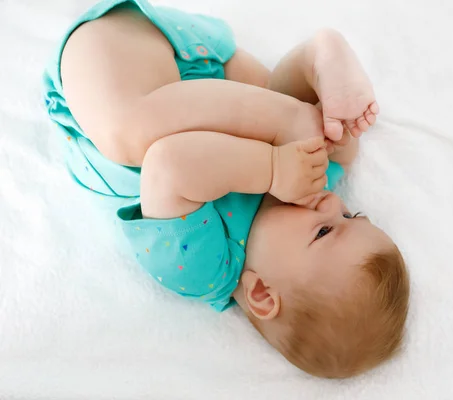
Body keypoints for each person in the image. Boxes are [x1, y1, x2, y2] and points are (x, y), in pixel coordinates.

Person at [43, 0, 410, 378]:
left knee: (128, 136)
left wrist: (272, 168)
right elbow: (333, 148)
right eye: (351, 214)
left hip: (118, 73)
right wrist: (335, 127)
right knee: (336, 143)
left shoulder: (206, 269)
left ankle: (289, 109)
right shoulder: (303, 192)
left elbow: (168, 163)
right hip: (208, 65)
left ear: (262, 293)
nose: (332, 203)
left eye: (325, 231)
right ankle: (317, 57)